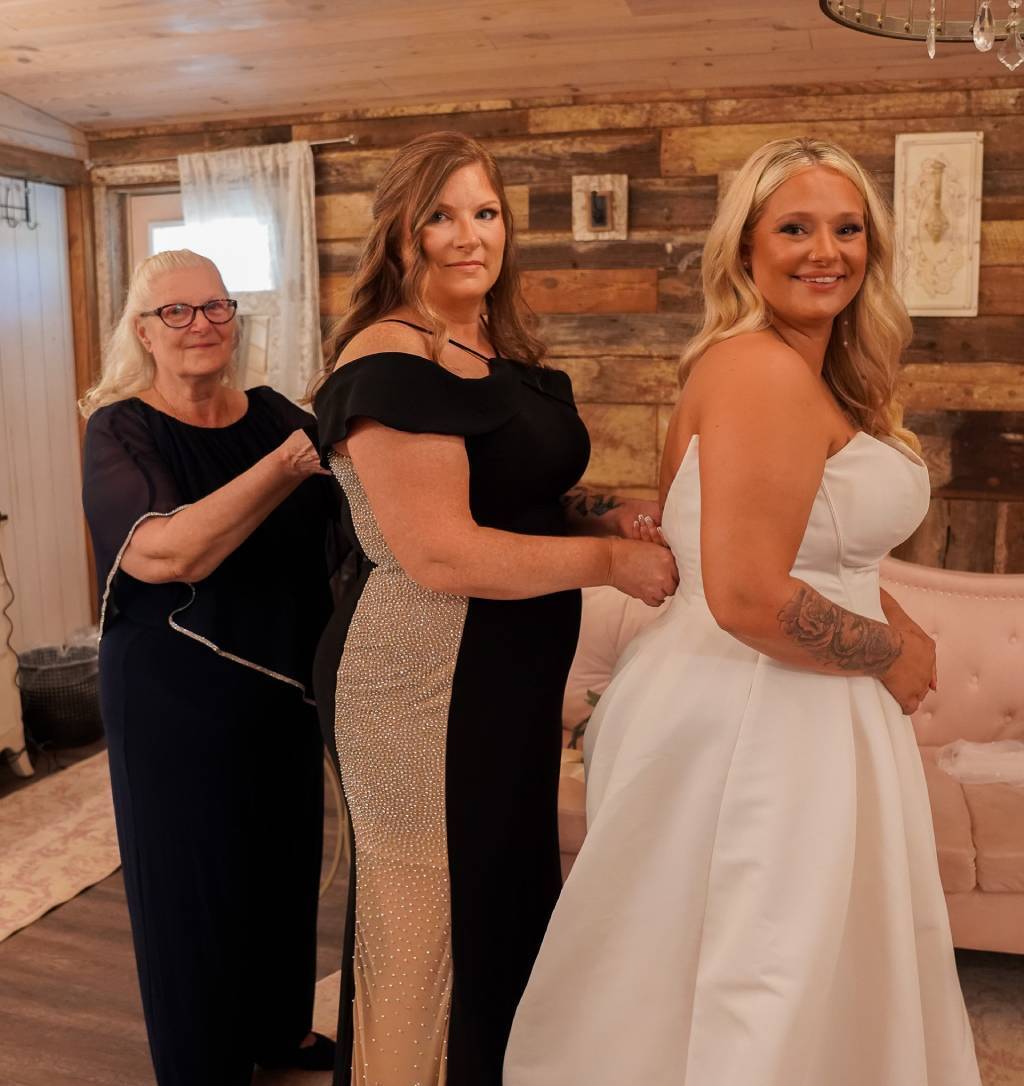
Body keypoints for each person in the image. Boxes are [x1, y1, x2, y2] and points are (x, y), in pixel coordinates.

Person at [504, 137, 982, 1086]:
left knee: (765, 958)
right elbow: (749, 596)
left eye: (848, 230)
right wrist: (888, 651)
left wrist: (886, 612)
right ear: (745, 251)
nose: (825, 251)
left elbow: (797, 541)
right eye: (794, 228)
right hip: (761, 709)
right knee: (763, 968)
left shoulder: (806, 369)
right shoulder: (760, 368)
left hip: (782, 699)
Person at [309, 130, 678, 1086]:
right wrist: (606, 561)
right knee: (423, 919)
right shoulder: (391, 361)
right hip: (418, 682)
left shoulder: (491, 344)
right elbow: (439, 549)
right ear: (401, 231)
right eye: (442, 214)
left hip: (504, 678)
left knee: (500, 903)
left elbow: (507, 497)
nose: (469, 235)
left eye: (485, 212)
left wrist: (607, 508)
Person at [80, 249, 339, 1086]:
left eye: (217, 308)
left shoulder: (273, 413)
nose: (201, 326)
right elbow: (168, 554)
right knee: (194, 882)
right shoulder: (120, 427)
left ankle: (278, 1032)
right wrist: (287, 463)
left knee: (282, 864)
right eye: (178, 313)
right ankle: (205, 1065)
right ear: (143, 332)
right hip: (172, 696)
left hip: (280, 687)